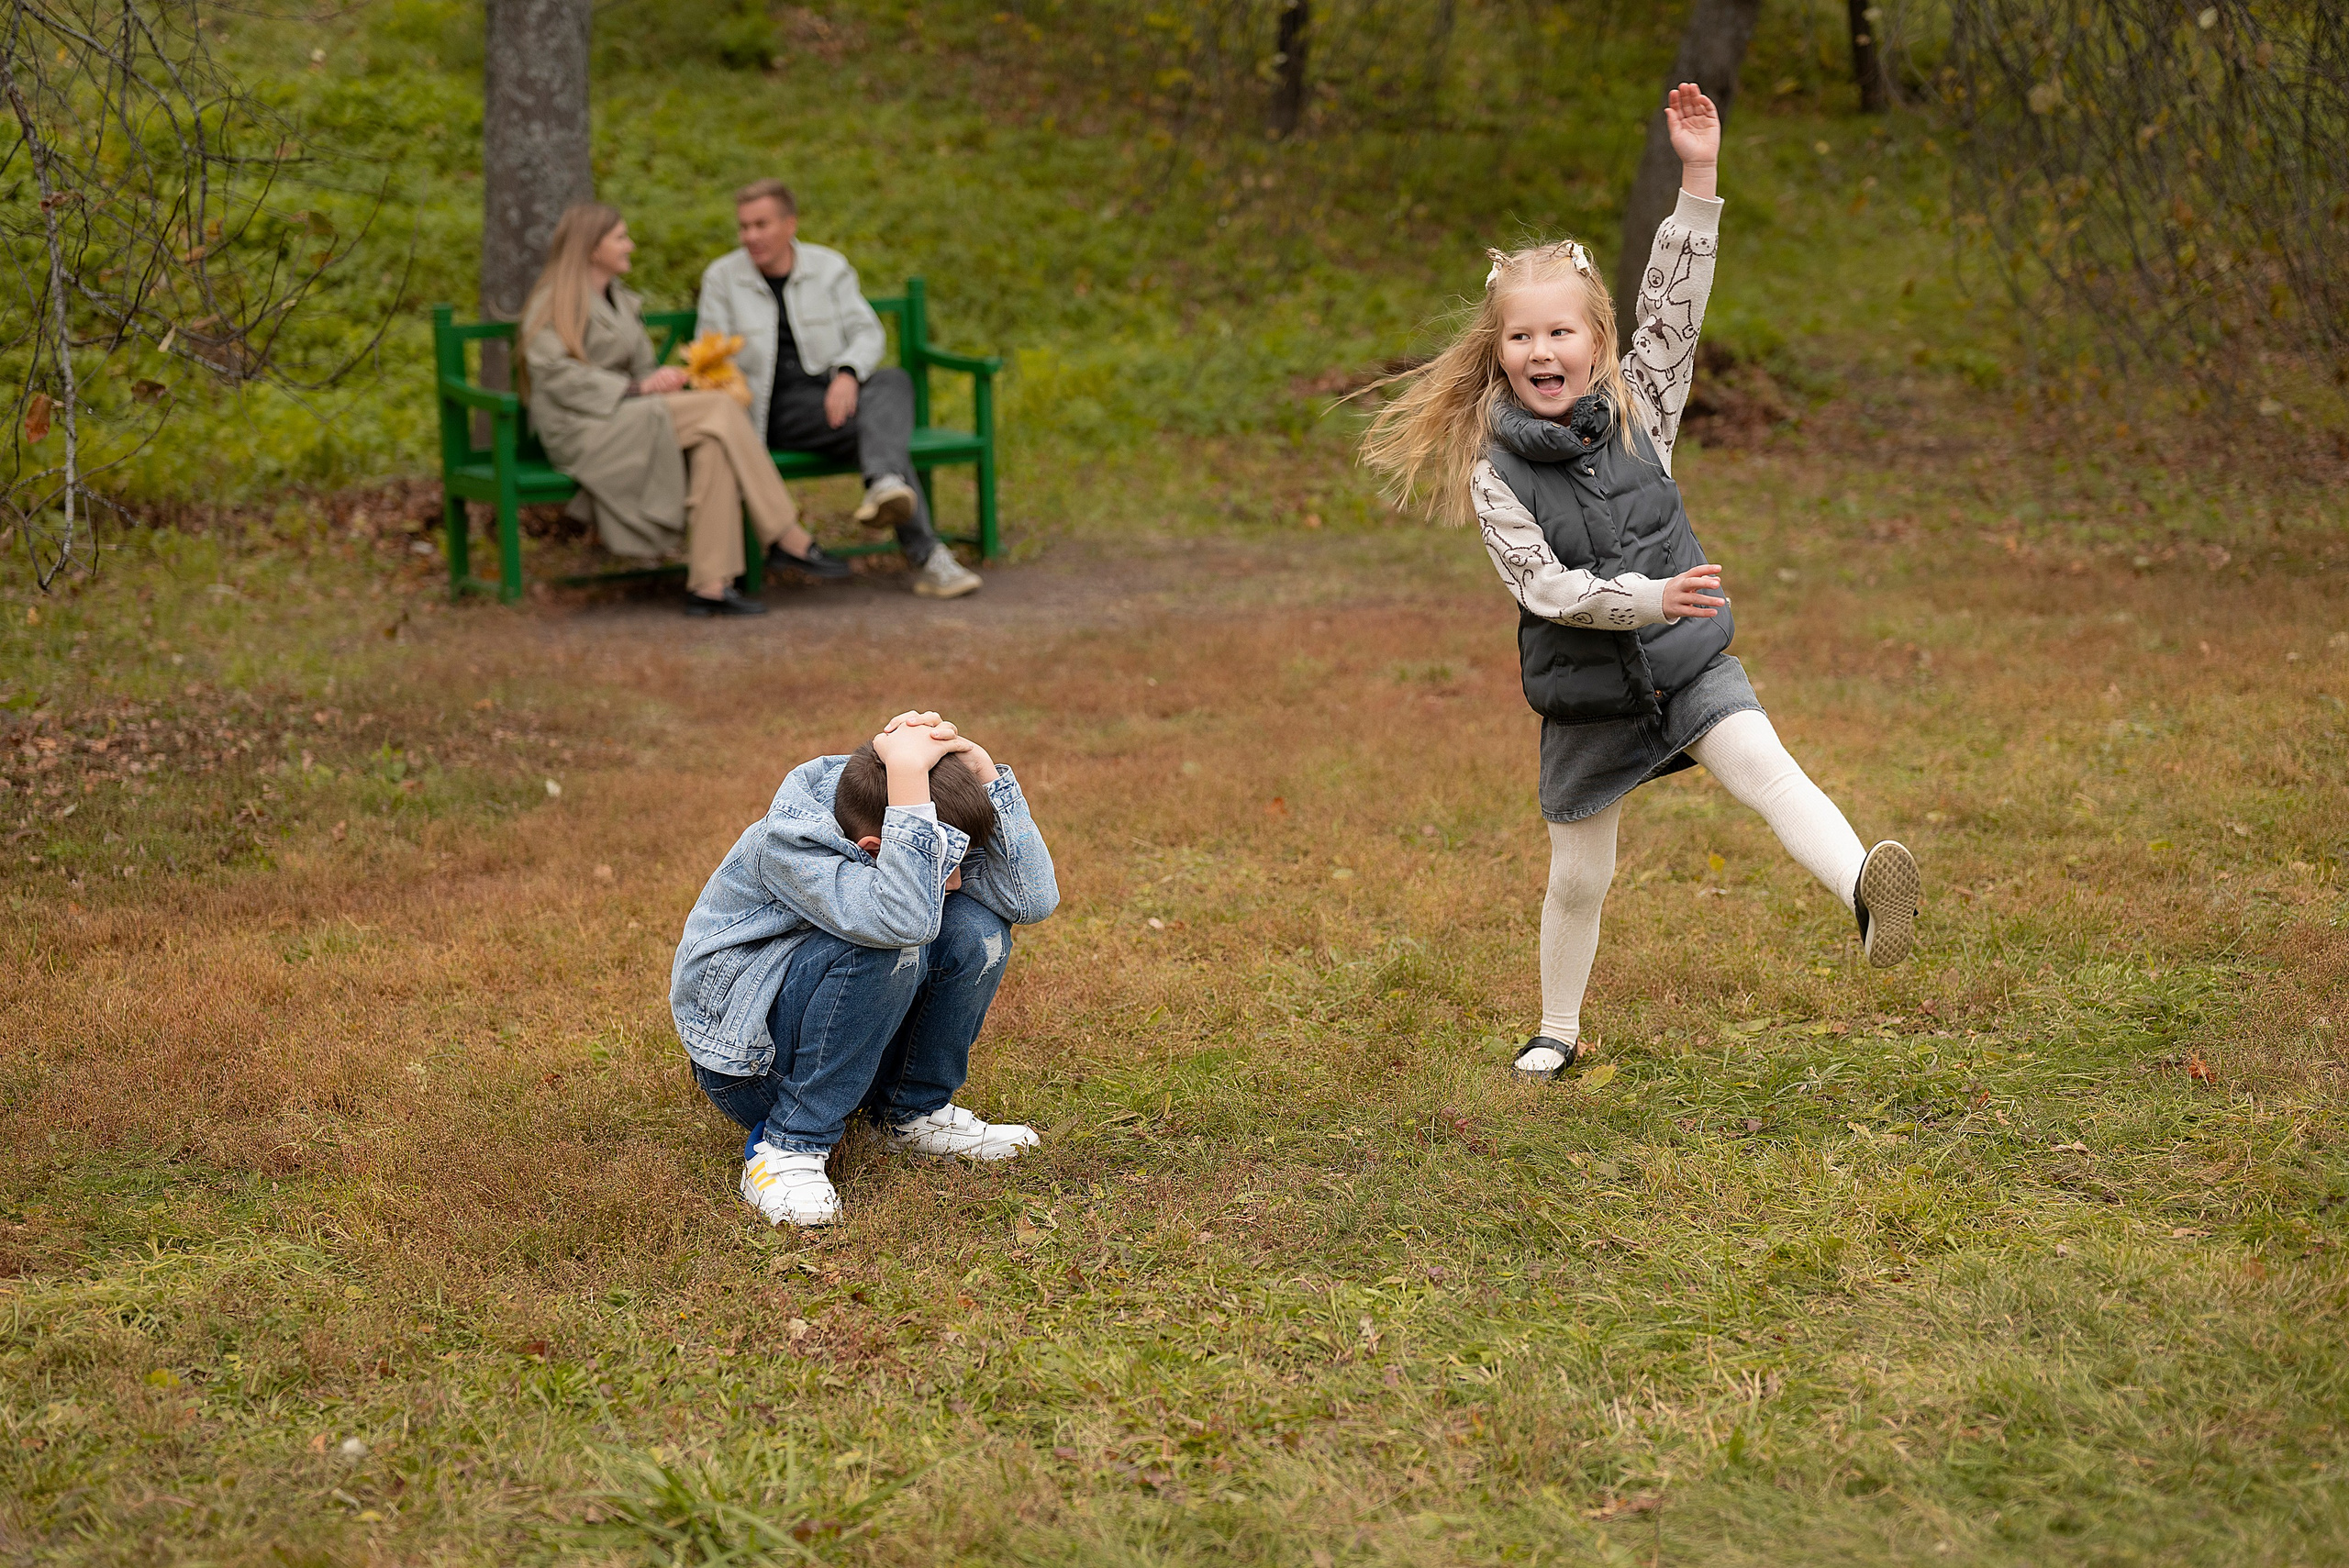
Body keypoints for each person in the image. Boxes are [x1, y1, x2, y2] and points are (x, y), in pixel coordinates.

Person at [1357, 84, 1921, 1084]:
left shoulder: (1640, 407)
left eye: (1560, 333)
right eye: (1521, 337)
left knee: (1768, 767)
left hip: (1683, 660)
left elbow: (1675, 297)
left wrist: (1697, 174)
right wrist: (1649, 598)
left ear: (1598, 342)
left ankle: (1866, 895)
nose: (1542, 350)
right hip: (1586, 689)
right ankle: (1556, 1030)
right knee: (1579, 875)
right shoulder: (1495, 470)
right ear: (1500, 352)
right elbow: (1546, 589)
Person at [670, 711, 1057, 1227]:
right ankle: (787, 1146)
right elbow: (900, 921)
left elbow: (1031, 900)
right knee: (887, 943)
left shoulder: (888, 818)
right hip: (753, 1069)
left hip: (852, 1043)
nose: (961, 879)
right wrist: (908, 788)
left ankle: (909, 1112)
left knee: (976, 927)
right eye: (948, 863)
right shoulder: (789, 844)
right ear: (875, 848)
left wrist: (984, 771)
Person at [518, 202, 852, 618]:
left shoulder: (618, 299)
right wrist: (637, 386)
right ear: (591, 249)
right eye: (620, 237)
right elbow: (554, 375)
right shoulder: (554, 302)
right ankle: (784, 533)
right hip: (586, 431)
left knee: (713, 442)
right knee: (717, 410)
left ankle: (710, 586)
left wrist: (662, 379)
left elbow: (640, 370)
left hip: (630, 418)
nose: (631, 245)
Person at [695, 179, 985, 601]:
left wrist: (847, 373)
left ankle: (884, 483)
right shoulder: (723, 278)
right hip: (773, 411)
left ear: (790, 224)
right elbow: (712, 356)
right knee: (884, 432)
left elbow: (867, 333)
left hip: (835, 398)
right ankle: (928, 557)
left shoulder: (828, 268)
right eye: (744, 227)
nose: (751, 237)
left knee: (892, 382)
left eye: (761, 225)